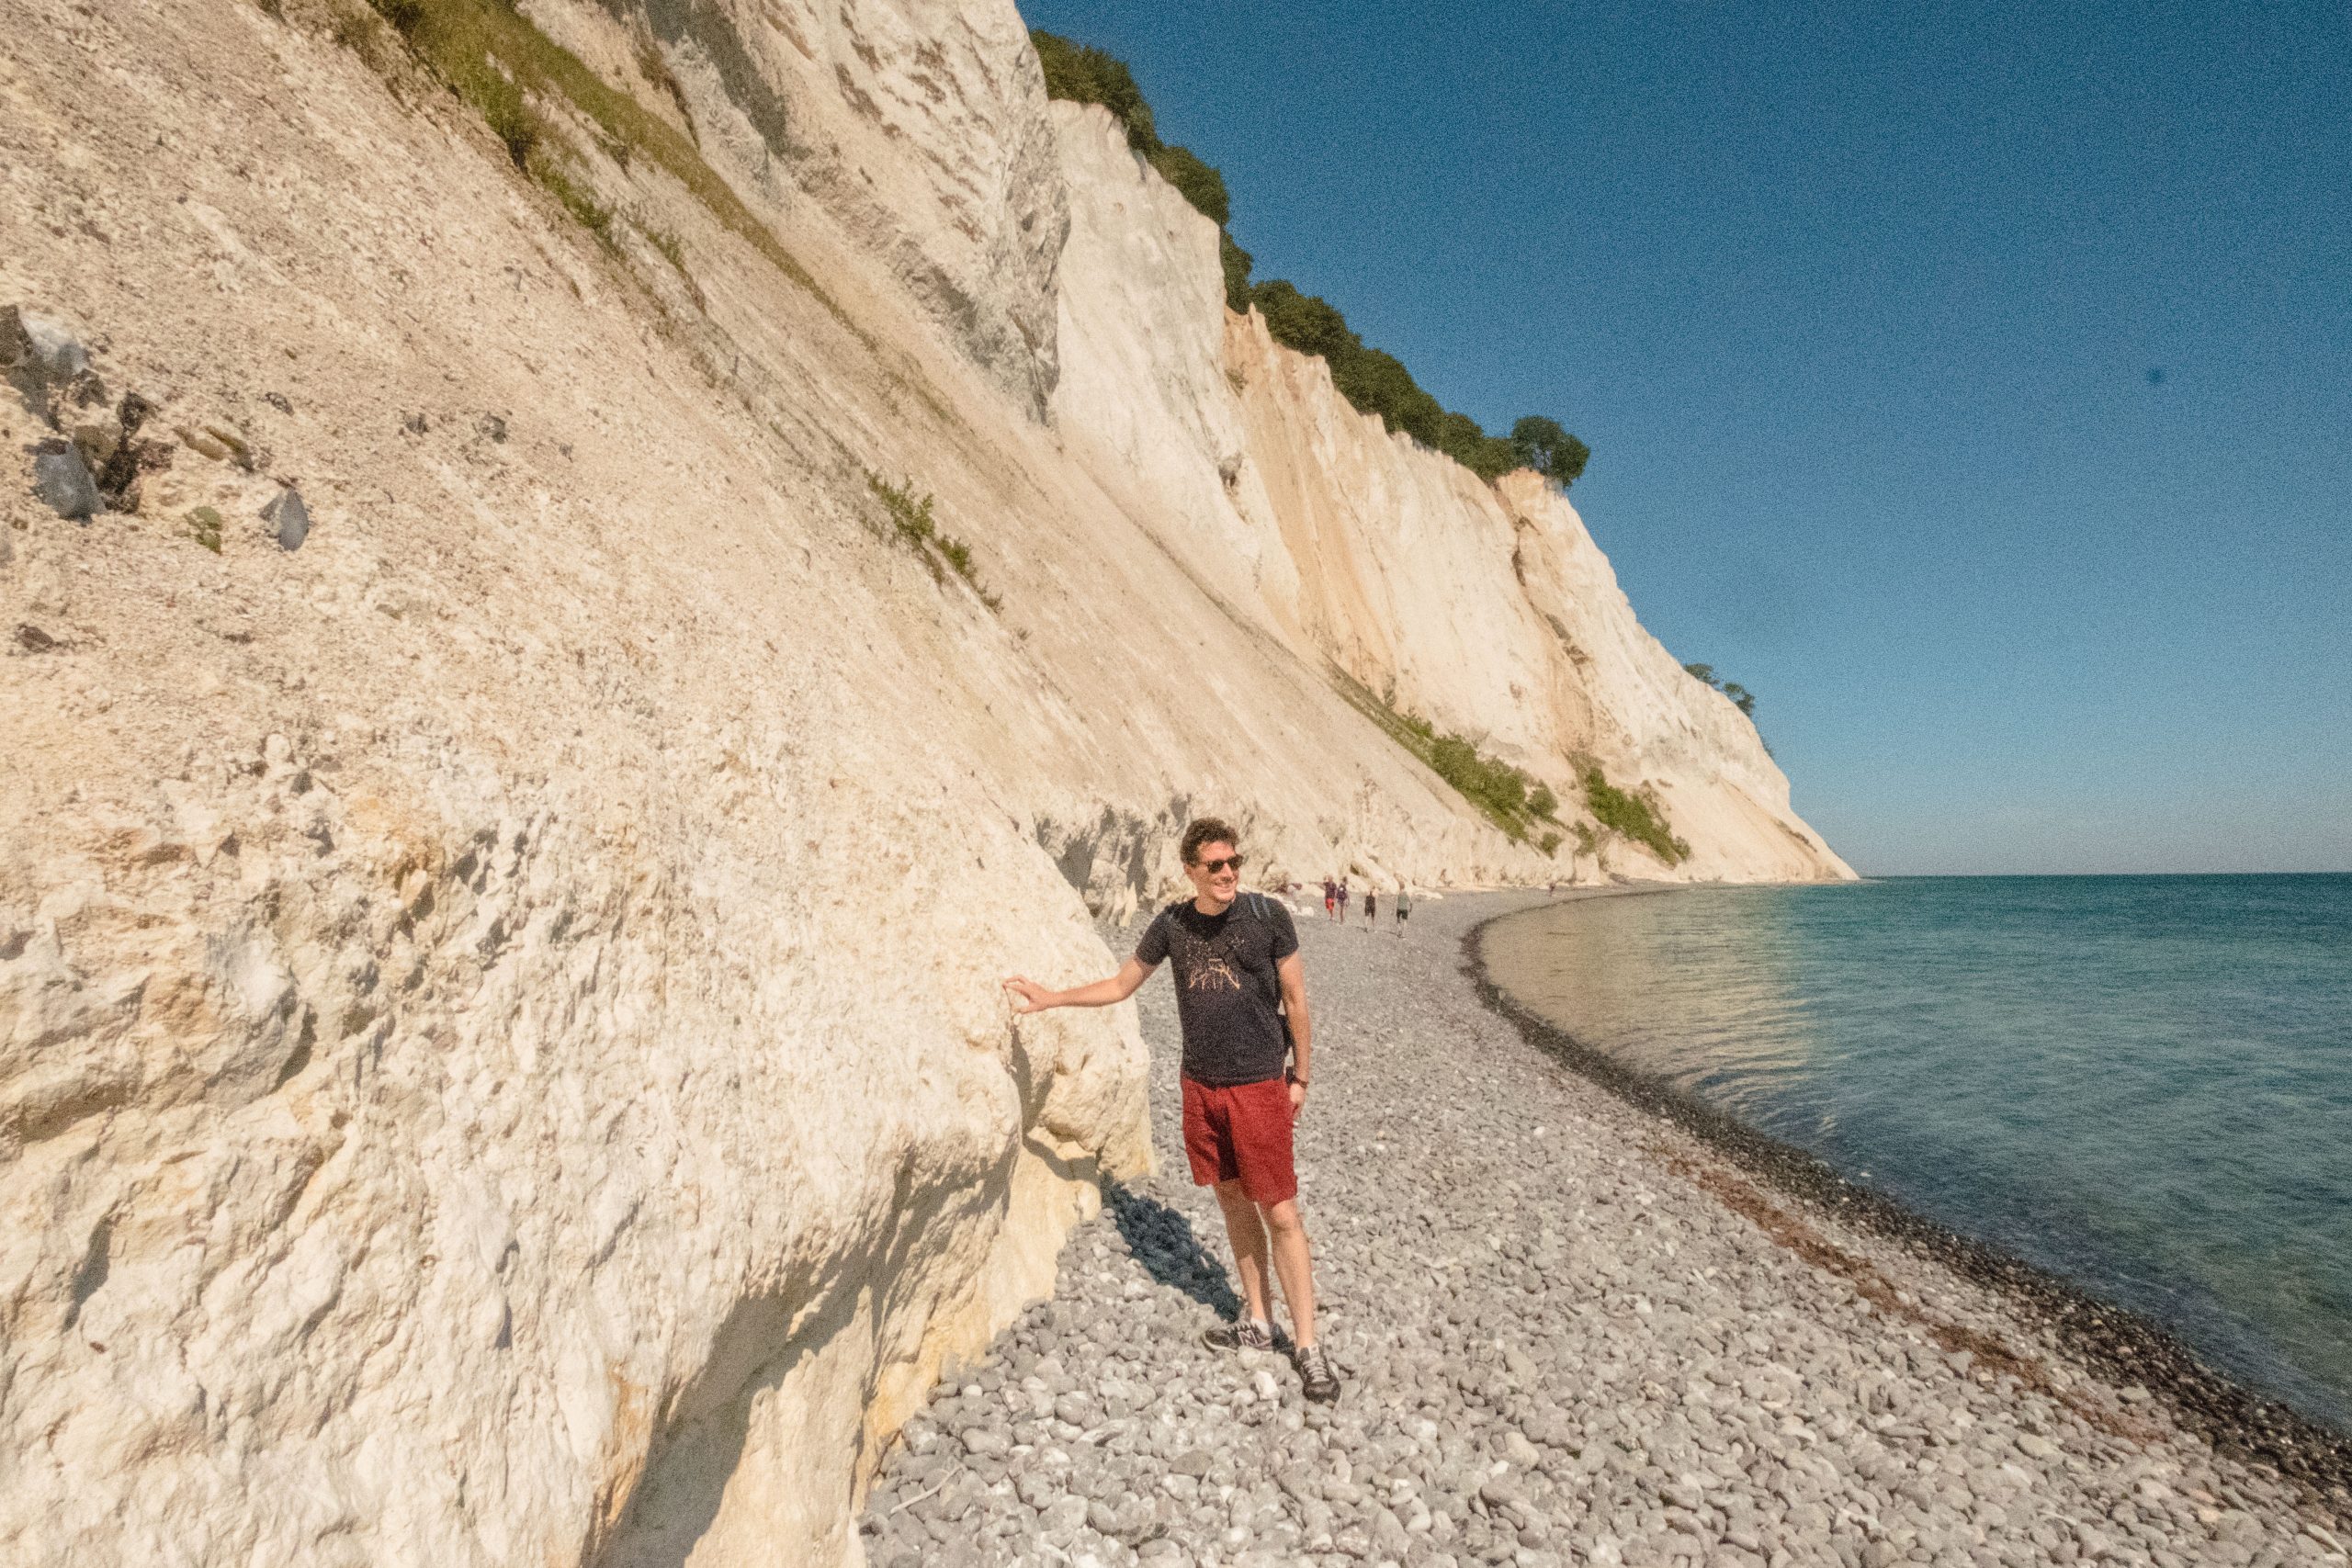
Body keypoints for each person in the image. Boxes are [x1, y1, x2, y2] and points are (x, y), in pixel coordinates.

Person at [1003, 818, 1341, 1403]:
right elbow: (1120, 984)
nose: (1230, 873)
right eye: (1216, 865)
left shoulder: (1268, 919)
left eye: (1235, 862)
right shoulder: (1172, 926)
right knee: (1233, 1200)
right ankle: (1258, 1321)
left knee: (1281, 1211)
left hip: (1260, 1085)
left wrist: (1301, 1077)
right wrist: (1053, 997)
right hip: (1201, 1088)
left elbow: (1296, 1000)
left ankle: (1308, 1347)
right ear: (1190, 870)